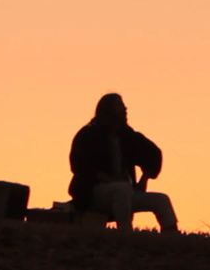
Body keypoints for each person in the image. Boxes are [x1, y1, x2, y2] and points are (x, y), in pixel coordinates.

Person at [68, 93, 178, 233]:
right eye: (119, 105)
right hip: (93, 194)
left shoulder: (127, 136)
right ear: (107, 110)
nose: (125, 109)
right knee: (122, 189)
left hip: (125, 194)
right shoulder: (88, 134)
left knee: (161, 200)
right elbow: (78, 164)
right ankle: (125, 233)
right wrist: (102, 177)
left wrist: (145, 176)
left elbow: (153, 153)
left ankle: (173, 238)